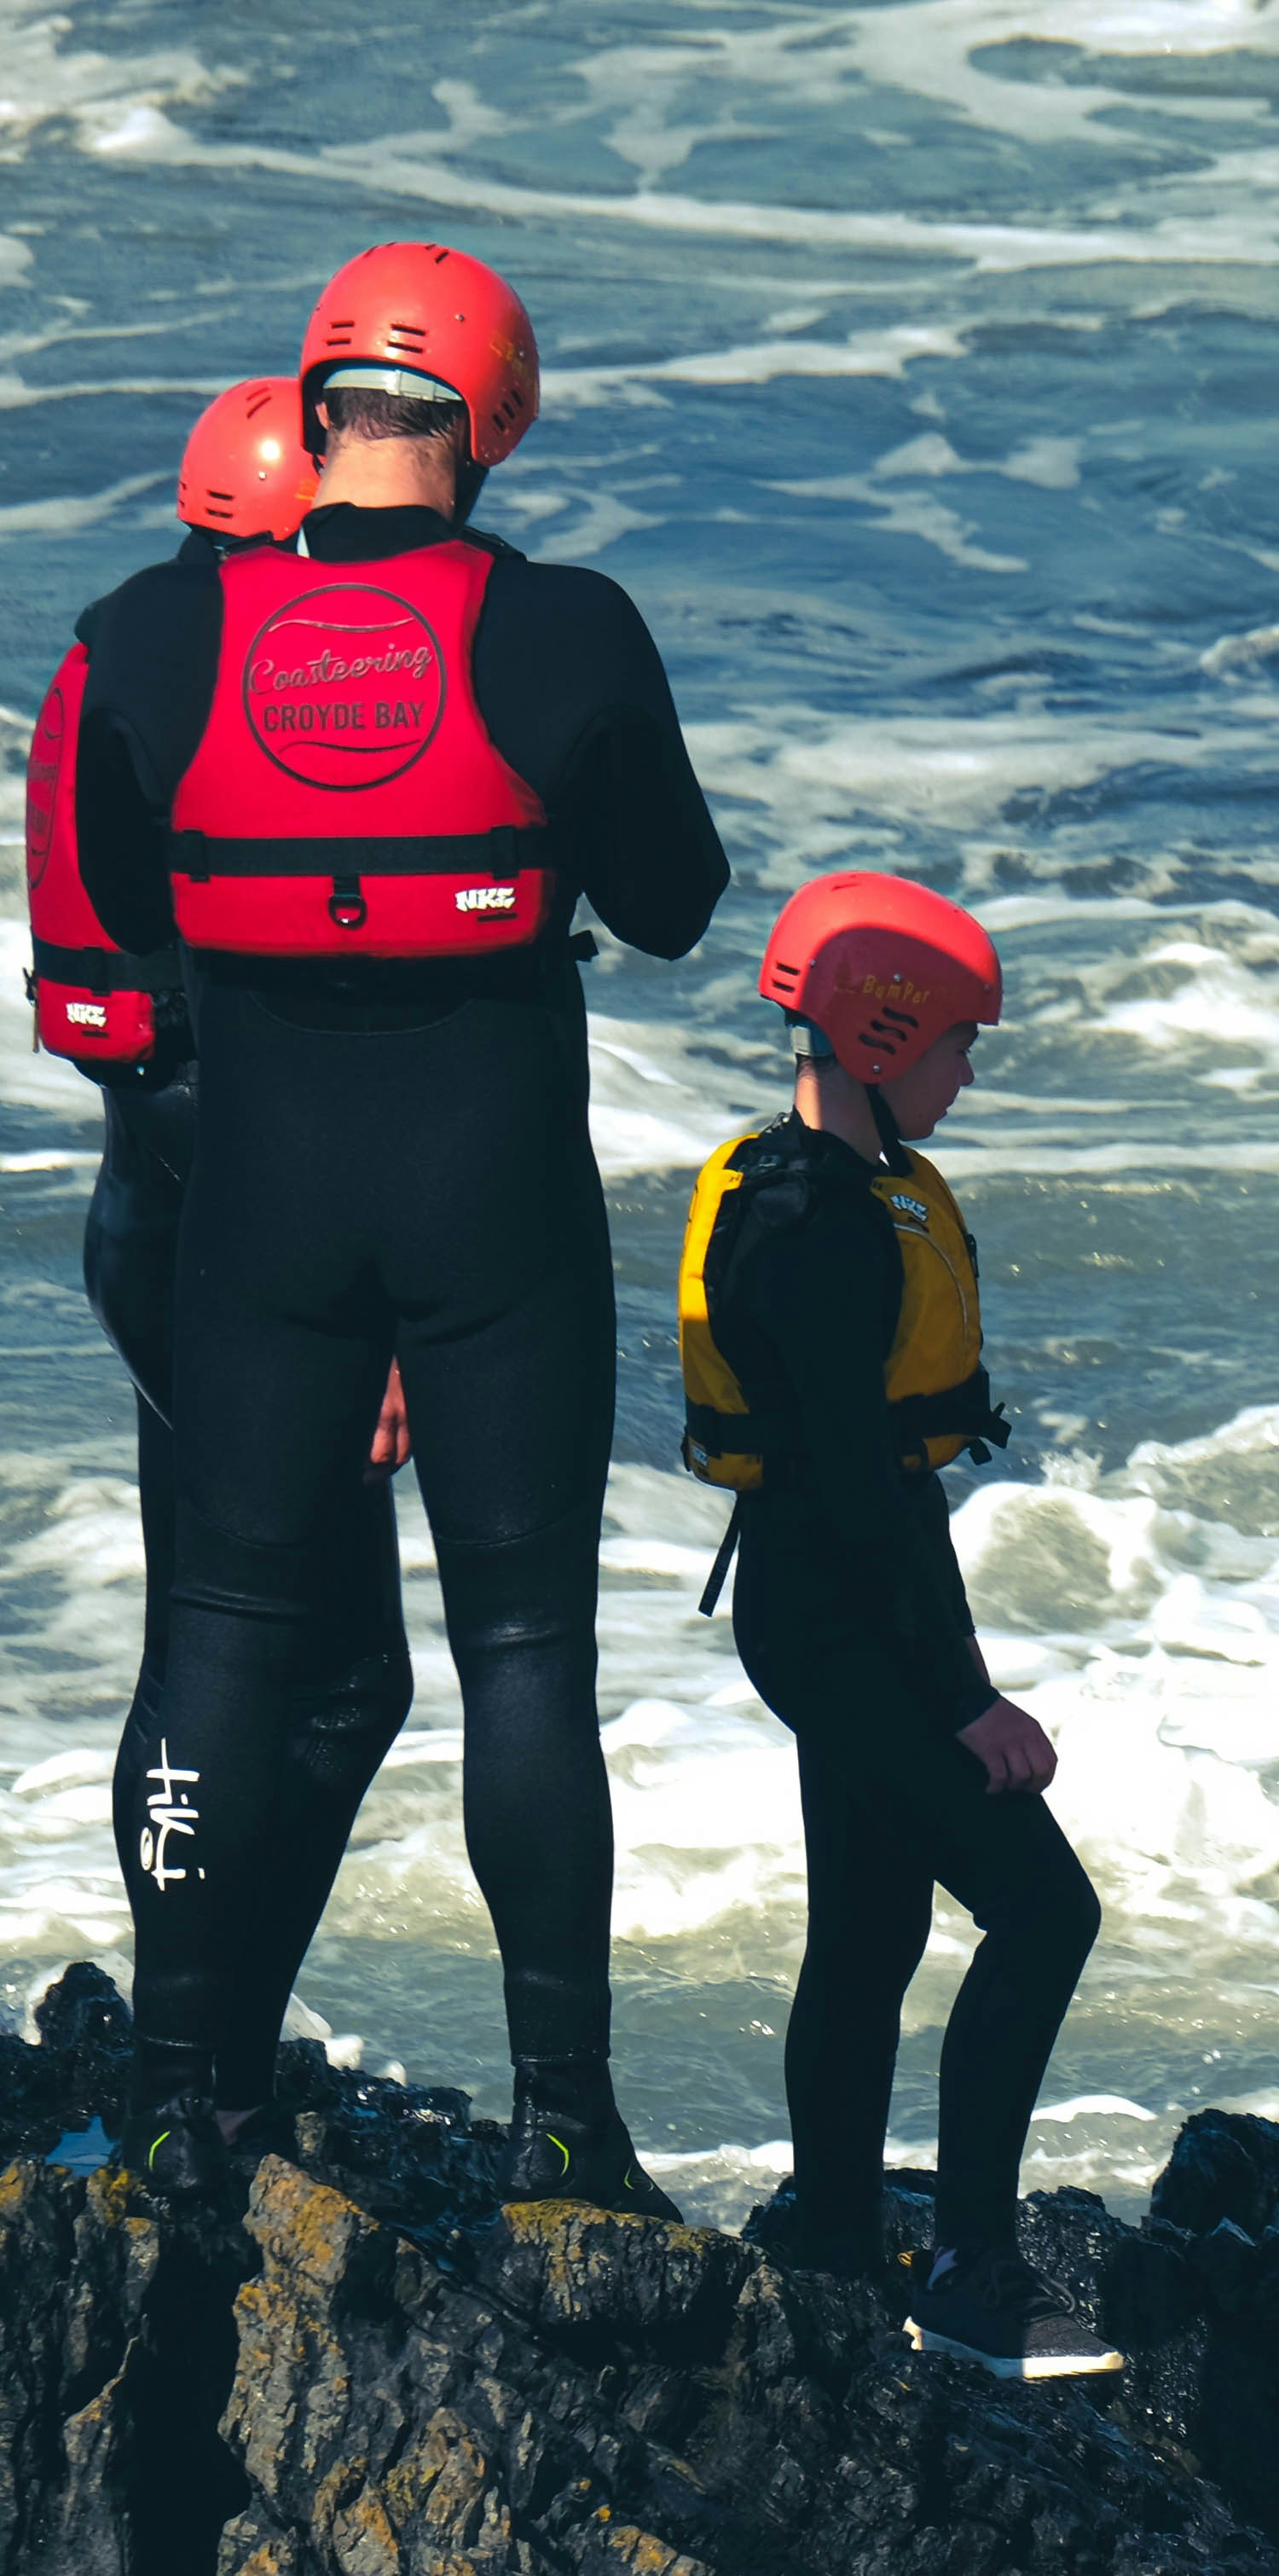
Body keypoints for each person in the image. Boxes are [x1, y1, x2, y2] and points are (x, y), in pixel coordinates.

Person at [64, 241, 729, 2210]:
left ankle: (183, 2101)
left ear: (316, 399)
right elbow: (677, 898)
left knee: (221, 1638)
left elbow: (120, 912)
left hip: (258, 1213)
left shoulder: (146, 635)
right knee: (523, 1651)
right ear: (494, 416)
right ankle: (566, 2124)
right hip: (492, 1197)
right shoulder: (571, 630)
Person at [28, 379, 414, 2098]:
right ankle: (207, 2040)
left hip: (153, 1227)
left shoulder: (125, 671)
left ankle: (204, 2034)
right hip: (240, 1240)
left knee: (223, 1647)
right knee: (321, 1678)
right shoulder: (240, 704)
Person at [673, 874, 1115, 2371]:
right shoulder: (814, 1233)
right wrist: (961, 1701)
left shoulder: (835, 1193)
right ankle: (974, 2273)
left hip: (832, 1604)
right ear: (878, 1036)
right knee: (1046, 1911)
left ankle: (834, 2236)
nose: (970, 1073)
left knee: (869, 1930)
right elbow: (861, 1498)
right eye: (957, 1045)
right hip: (837, 1618)